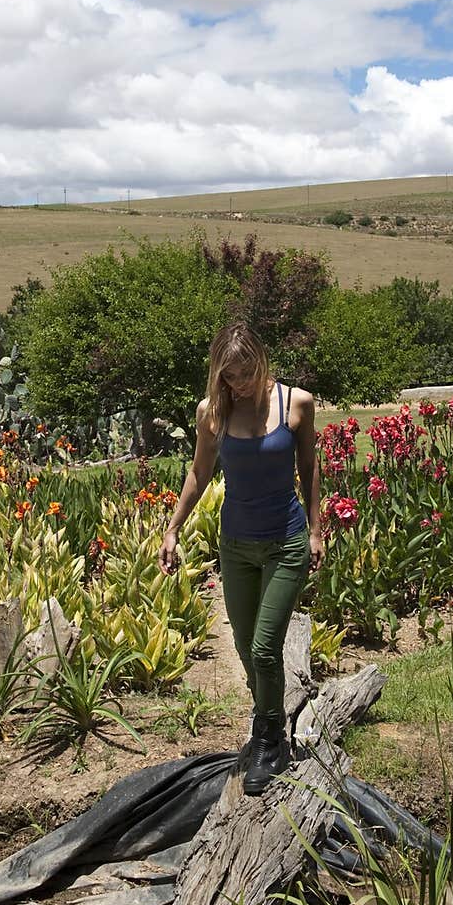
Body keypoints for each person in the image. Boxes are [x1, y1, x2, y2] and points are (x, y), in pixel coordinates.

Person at [158, 323, 323, 795]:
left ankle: (271, 741)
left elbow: (309, 467)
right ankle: (269, 717)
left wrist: (316, 530)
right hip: (236, 546)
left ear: (261, 362)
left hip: (285, 542)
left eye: (245, 374)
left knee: (265, 647)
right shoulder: (212, 412)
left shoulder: (296, 403)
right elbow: (199, 472)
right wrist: (172, 528)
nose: (238, 384)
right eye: (228, 377)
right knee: (247, 650)